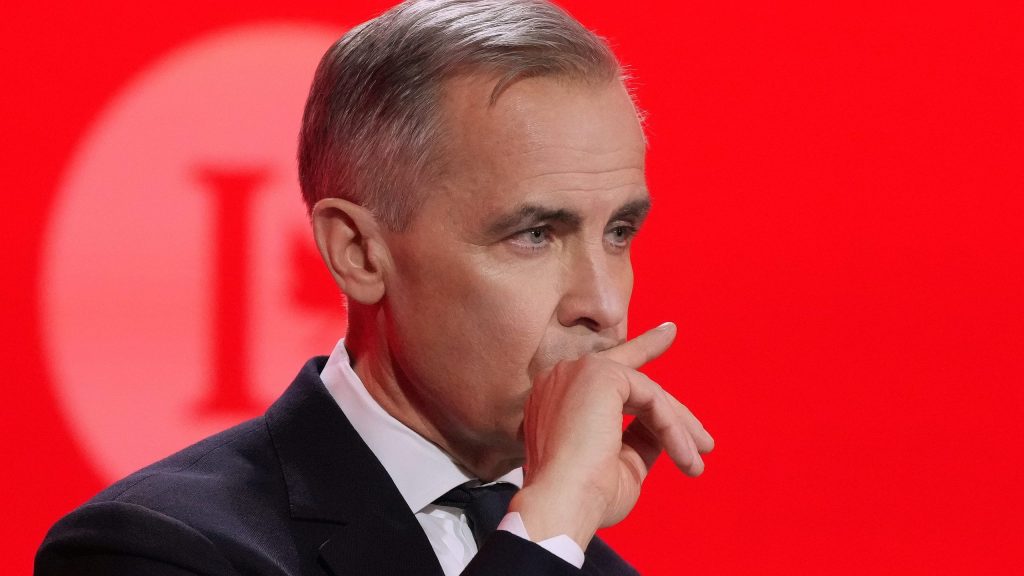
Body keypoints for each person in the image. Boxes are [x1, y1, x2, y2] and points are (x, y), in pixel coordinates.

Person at [35, 1, 713, 574]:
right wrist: (551, 525)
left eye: (619, 231)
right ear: (359, 253)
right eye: (534, 234)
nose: (604, 305)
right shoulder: (155, 548)